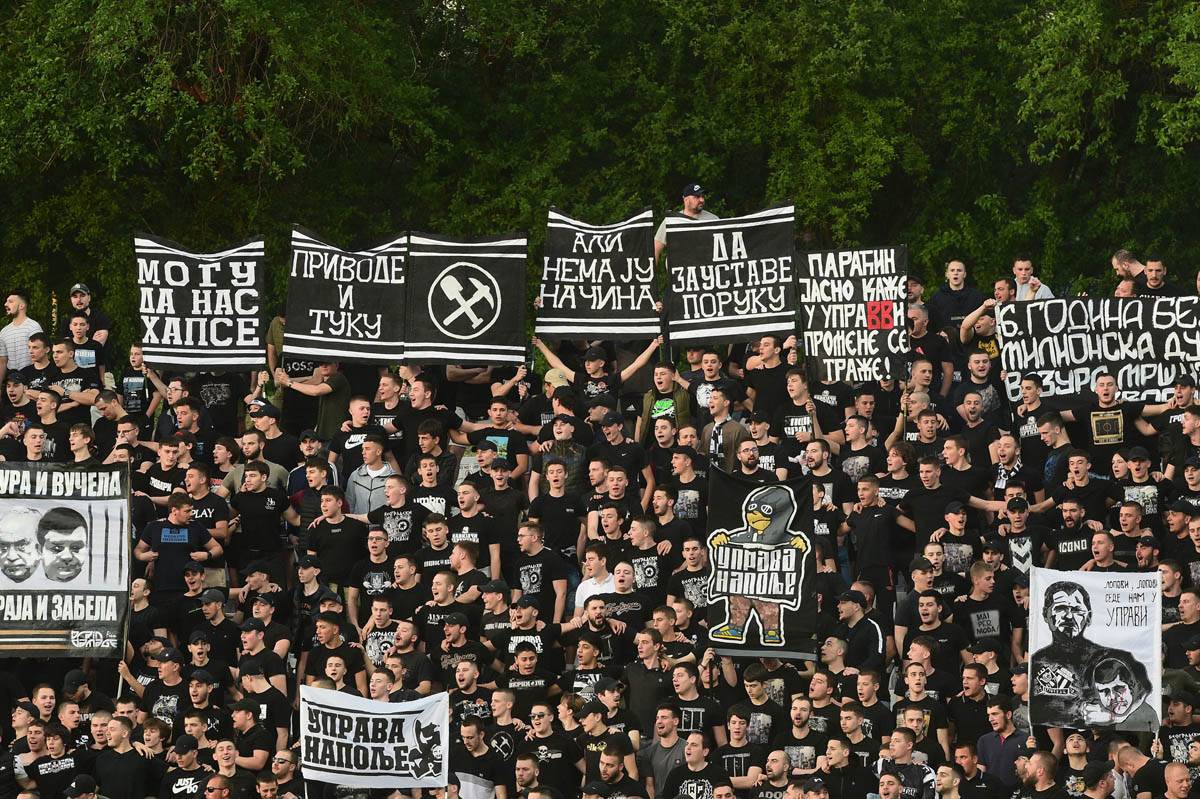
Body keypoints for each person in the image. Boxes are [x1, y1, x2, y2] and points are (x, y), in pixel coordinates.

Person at [655, 183, 719, 262]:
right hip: (679, 272)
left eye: (702, 196)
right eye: (697, 197)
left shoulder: (713, 219)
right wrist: (652, 273)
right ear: (686, 199)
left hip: (706, 271)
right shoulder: (672, 221)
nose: (702, 200)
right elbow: (656, 249)